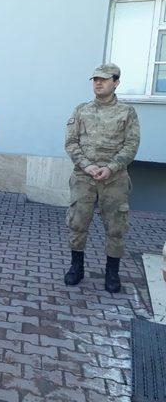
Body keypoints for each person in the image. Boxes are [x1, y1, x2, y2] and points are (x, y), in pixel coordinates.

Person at [64, 63, 140, 293]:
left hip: (114, 179)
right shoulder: (81, 110)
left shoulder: (127, 112)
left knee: (116, 227)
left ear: (116, 83)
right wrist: (87, 166)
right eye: (95, 79)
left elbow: (132, 144)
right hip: (84, 177)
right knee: (77, 223)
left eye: (104, 79)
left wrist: (111, 167)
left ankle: (112, 273)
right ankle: (76, 267)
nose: (98, 83)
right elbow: (71, 142)